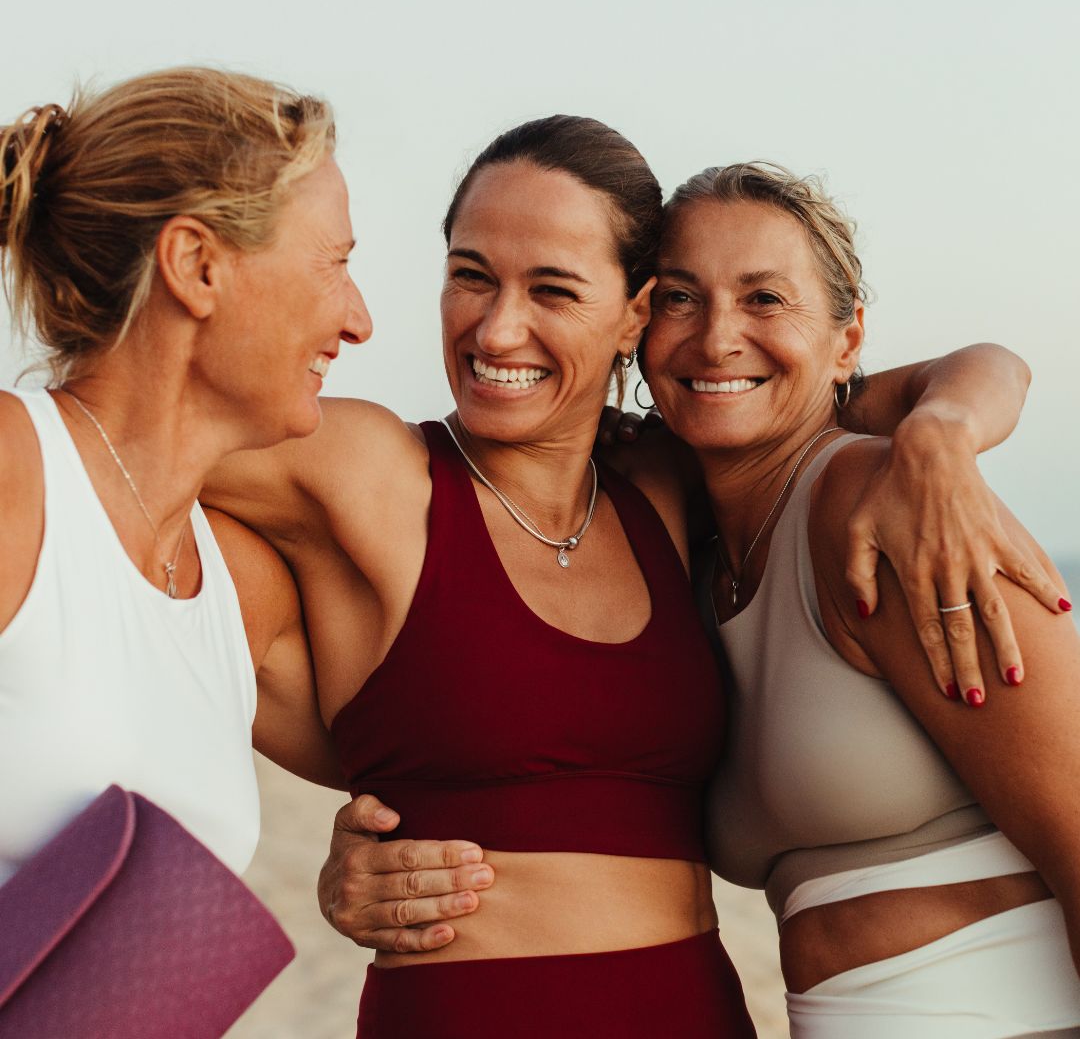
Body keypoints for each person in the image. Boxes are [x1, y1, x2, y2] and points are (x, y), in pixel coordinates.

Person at [205, 116, 1056, 1036]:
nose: (499, 327)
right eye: (470, 275)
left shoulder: (740, 486)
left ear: (630, 315)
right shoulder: (381, 466)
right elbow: (129, 444)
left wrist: (945, 430)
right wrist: (368, 845)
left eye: (555, 289)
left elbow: (897, 379)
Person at [642, 162, 1080, 1035]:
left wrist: (946, 424)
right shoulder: (681, 528)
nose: (717, 337)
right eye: (679, 297)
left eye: (765, 298)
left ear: (848, 341)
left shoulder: (881, 503)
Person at [0, 67, 369, 884]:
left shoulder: (239, 588)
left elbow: (433, 772)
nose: (359, 319)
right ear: (197, 264)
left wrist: (365, 876)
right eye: (332, 264)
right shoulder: (14, 476)